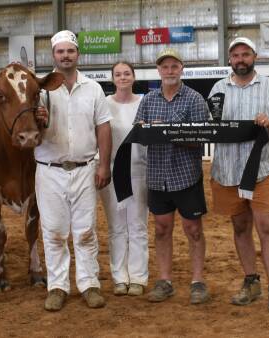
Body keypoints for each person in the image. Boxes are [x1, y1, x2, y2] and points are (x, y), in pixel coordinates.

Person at [209, 37, 269, 319]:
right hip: (228, 171)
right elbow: (212, 126)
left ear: (254, 56)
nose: (241, 59)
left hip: (263, 170)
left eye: (245, 54)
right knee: (240, 227)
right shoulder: (218, 88)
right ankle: (251, 281)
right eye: (236, 55)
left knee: (267, 226)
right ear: (230, 59)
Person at [35, 30, 112, 311]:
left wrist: (104, 163)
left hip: (84, 169)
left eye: (70, 51)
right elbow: (30, 128)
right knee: (54, 231)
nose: (65, 56)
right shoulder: (40, 89)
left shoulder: (93, 88)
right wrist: (38, 118)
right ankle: (57, 286)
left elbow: (103, 127)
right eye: (60, 52)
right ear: (53, 55)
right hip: (49, 169)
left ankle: (89, 284)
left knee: (86, 230)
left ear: (77, 54)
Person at [134, 48, 211, 305]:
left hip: (186, 175)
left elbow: (201, 137)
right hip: (157, 175)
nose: (169, 71)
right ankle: (165, 280)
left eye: (174, 67)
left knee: (193, 229)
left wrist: (170, 133)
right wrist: (149, 130)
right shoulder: (148, 100)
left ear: (181, 69)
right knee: (162, 228)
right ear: (159, 71)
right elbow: (139, 132)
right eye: (165, 67)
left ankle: (197, 281)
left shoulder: (195, 99)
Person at [100, 61, 148, 297]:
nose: (122, 77)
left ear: (133, 76)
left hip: (139, 171)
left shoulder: (145, 103)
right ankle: (119, 277)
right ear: (112, 78)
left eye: (126, 73)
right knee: (116, 228)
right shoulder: (104, 105)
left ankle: (138, 277)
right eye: (118, 74)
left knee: (138, 226)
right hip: (110, 173)